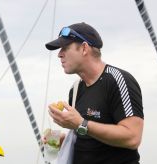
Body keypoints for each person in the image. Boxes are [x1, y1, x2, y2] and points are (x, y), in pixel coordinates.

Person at [45, 22, 144, 164]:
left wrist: (80, 124)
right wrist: (60, 140)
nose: (59, 54)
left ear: (84, 48)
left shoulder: (118, 80)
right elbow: (86, 134)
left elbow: (133, 138)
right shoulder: (76, 89)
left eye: (65, 48)